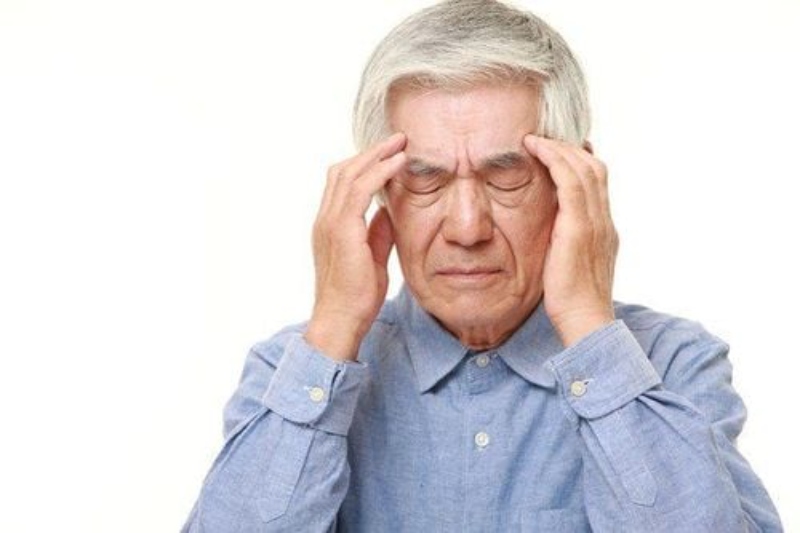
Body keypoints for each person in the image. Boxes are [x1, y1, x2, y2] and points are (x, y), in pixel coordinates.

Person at [182, 1, 782, 531]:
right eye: (425, 178)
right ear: (380, 192)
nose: (467, 228)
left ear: (576, 186)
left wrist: (586, 321)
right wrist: (335, 323)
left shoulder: (673, 363)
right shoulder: (290, 373)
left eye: (505, 175)